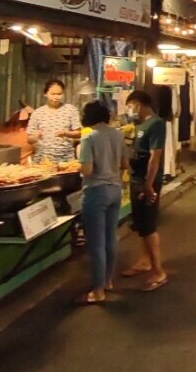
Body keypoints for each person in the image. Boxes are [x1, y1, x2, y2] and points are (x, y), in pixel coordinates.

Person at [76, 101, 129, 304]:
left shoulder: (88, 138)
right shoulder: (117, 134)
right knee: (110, 238)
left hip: (96, 192)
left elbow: (87, 170)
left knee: (96, 243)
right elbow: (125, 164)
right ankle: (107, 281)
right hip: (115, 190)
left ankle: (97, 291)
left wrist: (80, 164)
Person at [122, 91, 169, 291]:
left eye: (130, 105)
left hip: (146, 181)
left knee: (148, 225)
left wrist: (149, 185)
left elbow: (155, 157)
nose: (129, 110)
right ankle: (144, 261)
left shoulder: (156, 124)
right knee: (140, 223)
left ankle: (158, 271)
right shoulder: (140, 125)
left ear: (139, 104)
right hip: (136, 178)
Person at [26, 79, 82, 164]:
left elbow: (79, 133)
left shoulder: (71, 110)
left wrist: (66, 133)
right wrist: (35, 137)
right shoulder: (37, 113)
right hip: (42, 160)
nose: (56, 97)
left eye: (59, 94)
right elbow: (29, 139)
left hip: (66, 160)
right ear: (45, 94)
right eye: (53, 94)